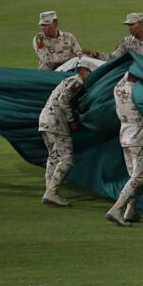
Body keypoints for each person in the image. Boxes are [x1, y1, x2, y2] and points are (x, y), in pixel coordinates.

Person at [37, 57, 96, 207]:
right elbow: (63, 101)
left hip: (45, 120)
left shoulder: (67, 80)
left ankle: (49, 191)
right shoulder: (77, 82)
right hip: (57, 122)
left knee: (53, 157)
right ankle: (51, 193)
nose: (90, 76)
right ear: (83, 71)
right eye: (90, 72)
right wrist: (71, 121)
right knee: (66, 159)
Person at [105, 73, 143, 227]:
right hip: (139, 136)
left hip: (125, 134)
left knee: (134, 176)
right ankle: (117, 208)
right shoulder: (138, 91)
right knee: (139, 177)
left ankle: (131, 210)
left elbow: (124, 79)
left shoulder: (117, 89)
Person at [32, 11, 102, 70]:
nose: (43, 28)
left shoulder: (69, 37)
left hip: (67, 71)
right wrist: (70, 57)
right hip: (49, 74)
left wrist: (93, 55)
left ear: (55, 24)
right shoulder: (39, 39)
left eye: (47, 25)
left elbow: (79, 55)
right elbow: (48, 60)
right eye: (42, 25)